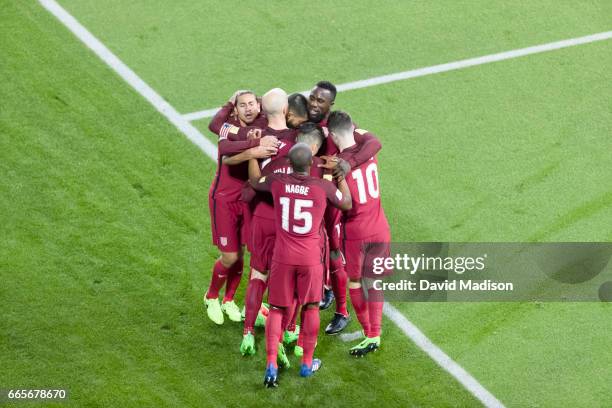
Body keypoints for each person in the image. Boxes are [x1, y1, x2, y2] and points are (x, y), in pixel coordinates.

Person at [249, 143, 352, 387]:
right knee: (311, 308)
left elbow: (254, 180)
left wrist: (253, 154)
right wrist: (341, 175)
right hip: (310, 259)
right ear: (310, 165)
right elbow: (346, 203)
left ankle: (271, 364)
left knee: (276, 309)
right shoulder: (322, 186)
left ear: (289, 162)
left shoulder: (277, 181)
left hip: (283, 257)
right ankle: (306, 364)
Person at [240, 123, 326, 358]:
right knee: (296, 282)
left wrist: (253, 154)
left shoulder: (277, 151)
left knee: (258, 276)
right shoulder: (316, 166)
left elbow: (250, 189)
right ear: (314, 148)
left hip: (262, 219)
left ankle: (248, 331)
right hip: (290, 231)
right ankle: (287, 332)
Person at [307, 81, 383, 336]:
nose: (315, 104)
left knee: (335, 251)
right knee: (318, 249)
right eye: (313, 98)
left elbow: (374, 143)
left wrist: (348, 163)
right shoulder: (308, 125)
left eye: (321, 101)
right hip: (314, 196)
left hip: (335, 202)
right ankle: (327, 289)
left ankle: (342, 312)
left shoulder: (340, 128)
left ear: (331, 105)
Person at [204, 90, 279, 325]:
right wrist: (255, 146)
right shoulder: (229, 126)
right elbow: (225, 151)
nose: (248, 108)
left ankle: (229, 300)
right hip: (224, 200)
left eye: (252, 104)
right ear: (235, 109)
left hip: (247, 199)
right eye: (242, 105)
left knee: (242, 253)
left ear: (259, 106)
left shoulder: (264, 122)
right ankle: (211, 296)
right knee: (230, 255)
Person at [327, 111, 391, 357]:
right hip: (379, 225)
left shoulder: (336, 165)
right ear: (353, 128)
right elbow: (373, 139)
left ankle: (368, 333)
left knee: (354, 281)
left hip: (355, 231)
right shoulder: (369, 150)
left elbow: (344, 203)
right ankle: (376, 333)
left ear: (332, 135)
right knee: (374, 281)